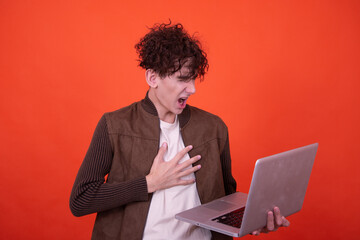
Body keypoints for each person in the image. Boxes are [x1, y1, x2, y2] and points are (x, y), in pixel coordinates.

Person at [70, 22, 290, 240]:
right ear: (152, 78)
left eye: (193, 78)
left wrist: (252, 220)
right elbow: (81, 200)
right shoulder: (115, 125)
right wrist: (149, 183)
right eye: (183, 79)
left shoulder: (214, 127)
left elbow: (226, 200)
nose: (192, 88)